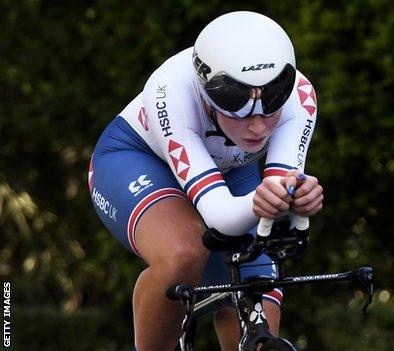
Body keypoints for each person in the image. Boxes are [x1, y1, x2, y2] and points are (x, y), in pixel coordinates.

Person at [87, 11, 323, 350]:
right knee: (183, 252)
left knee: (257, 286)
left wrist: (296, 197)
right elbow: (221, 216)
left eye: (269, 109)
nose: (256, 128)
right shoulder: (171, 89)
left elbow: (277, 189)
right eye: (236, 111)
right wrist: (268, 200)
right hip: (137, 159)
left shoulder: (300, 95)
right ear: (207, 93)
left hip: (230, 172)